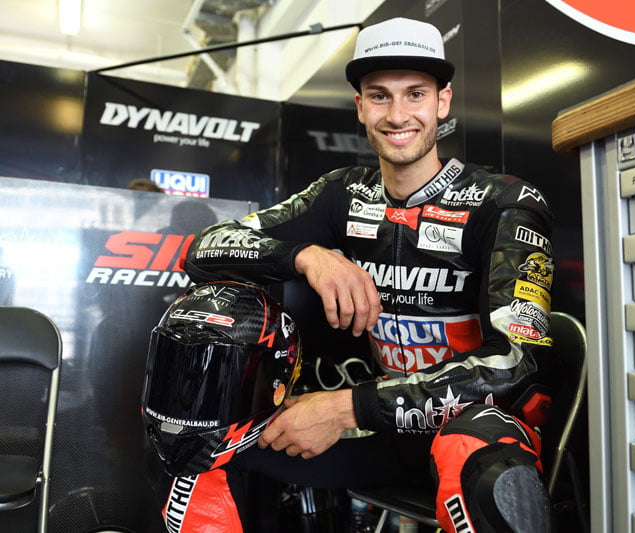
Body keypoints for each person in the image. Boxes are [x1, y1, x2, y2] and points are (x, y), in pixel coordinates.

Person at [173, 16, 557, 533]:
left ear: (442, 102)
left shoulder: (503, 201)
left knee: (476, 456)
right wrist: (307, 256)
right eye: (379, 96)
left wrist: (344, 409)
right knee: (199, 443)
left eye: (415, 94)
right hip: (383, 430)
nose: (397, 115)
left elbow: (517, 364)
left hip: (476, 426)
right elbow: (202, 249)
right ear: (360, 107)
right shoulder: (344, 192)